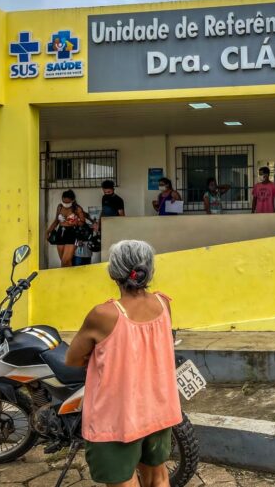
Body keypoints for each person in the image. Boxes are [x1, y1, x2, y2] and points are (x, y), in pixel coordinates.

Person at [65, 240, 181, 487]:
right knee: (158, 476)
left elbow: (73, 359)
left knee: (123, 481)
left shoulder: (103, 314)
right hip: (158, 408)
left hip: (118, 415)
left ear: (113, 272)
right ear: (149, 270)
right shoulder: (163, 304)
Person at [46, 190, 86, 267]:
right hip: (61, 232)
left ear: (73, 200)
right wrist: (48, 231)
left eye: (68, 203)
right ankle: (68, 277)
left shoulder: (77, 208)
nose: (65, 204)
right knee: (64, 262)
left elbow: (83, 222)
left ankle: (69, 277)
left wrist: (75, 222)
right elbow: (56, 221)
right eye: (64, 202)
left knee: (66, 260)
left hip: (73, 233)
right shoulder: (60, 207)